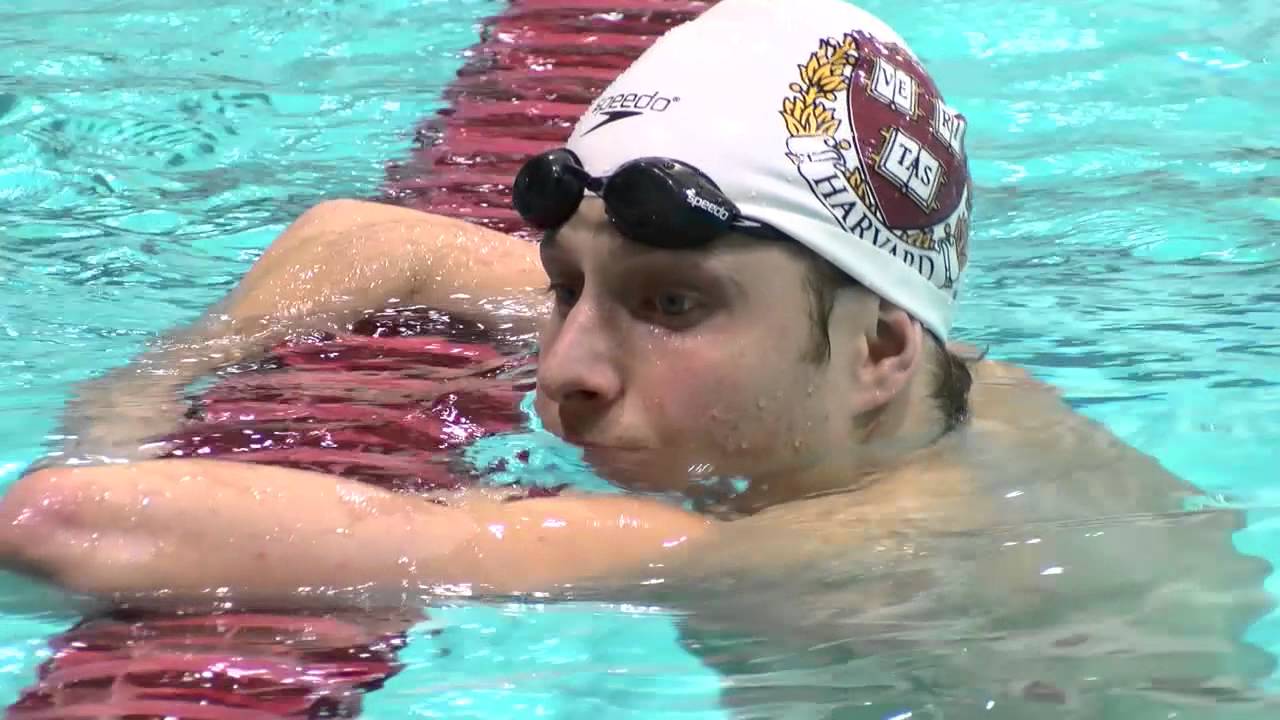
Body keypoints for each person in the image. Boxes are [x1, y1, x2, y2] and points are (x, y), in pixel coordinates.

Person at [0, 0, 1272, 710]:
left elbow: (66, 522)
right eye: (566, 289)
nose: (568, 369)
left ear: (879, 347)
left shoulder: (849, 549)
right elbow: (369, 239)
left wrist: (100, 444)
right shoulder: (864, 368)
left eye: (668, 309)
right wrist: (159, 374)